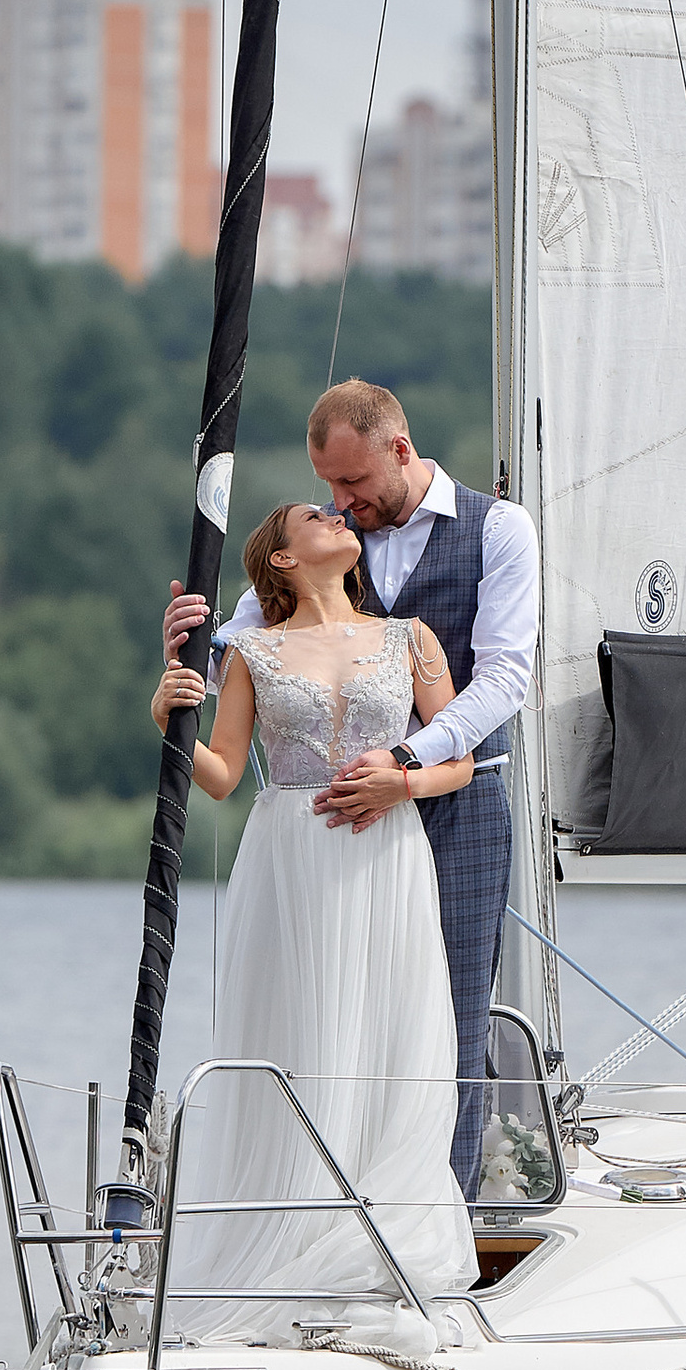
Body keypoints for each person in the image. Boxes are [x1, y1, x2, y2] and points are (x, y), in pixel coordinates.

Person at [163, 379, 538, 1195]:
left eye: (352, 484)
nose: (340, 502)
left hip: (459, 802)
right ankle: (318, 1208)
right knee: (326, 1017)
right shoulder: (328, 552)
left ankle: (443, 1224)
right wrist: (185, 652)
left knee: (451, 1021)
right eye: (327, 488)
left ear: (400, 450)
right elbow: (244, 652)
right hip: (326, 826)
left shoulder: (500, 530)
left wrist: (406, 766)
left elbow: (507, 676)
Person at [151, 497, 476, 1309]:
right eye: (314, 515)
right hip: (290, 851)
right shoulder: (254, 651)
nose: (337, 516)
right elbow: (223, 776)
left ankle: (381, 1229)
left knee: (390, 1024)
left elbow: (461, 761)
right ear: (284, 559)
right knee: (297, 1027)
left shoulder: (411, 638)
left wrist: (405, 781)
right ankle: (291, 1226)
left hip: (387, 847)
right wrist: (166, 725)